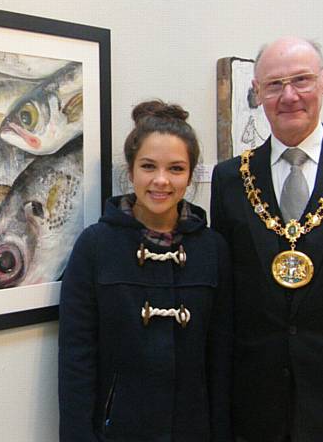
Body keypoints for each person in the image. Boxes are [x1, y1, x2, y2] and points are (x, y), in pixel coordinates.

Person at [211, 36, 323, 441]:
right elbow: (227, 297)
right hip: (255, 402)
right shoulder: (230, 179)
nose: (289, 96)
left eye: (301, 80)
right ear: (257, 92)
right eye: (273, 85)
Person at [59, 100, 233, 441]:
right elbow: (76, 359)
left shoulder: (213, 249)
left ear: (191, 174)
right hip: (117, 429)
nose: (161, 181)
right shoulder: (95, 247)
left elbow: (221, 359)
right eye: (149, 166)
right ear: (131, 170)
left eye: (176, 169)